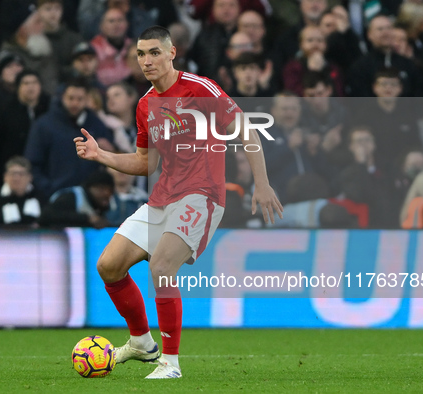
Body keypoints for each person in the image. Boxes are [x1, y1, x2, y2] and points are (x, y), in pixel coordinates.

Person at [74, 26, 282, 379]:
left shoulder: (200, 89)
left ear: (172, 53)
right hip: (163, 198)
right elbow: (146, 163)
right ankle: (141, 341)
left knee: (161, 267)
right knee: (109, 266)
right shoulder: (145, 106)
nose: (146, 60)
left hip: (202, 196)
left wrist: (261, 183)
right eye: (141, 54)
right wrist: (101, 155)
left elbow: (246, 129)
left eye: (154, 52)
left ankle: (170, 362)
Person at [0, 156, 43, 225]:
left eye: (21, 174)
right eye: (13, 174)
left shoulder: (40, 198)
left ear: (30, 177)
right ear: (5, 177)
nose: (16, 178)